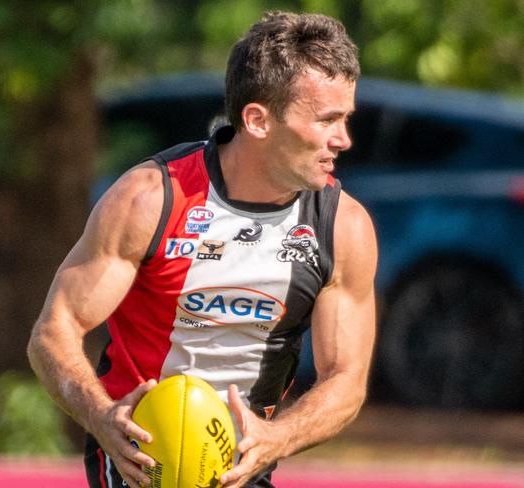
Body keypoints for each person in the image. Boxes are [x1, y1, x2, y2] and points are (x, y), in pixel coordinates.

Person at [28, 10, 377, 488]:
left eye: (346, 119)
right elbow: (54, 330)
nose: (344, 139)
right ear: (257, 120)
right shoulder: (152, 198)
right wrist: (102, 416)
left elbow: (346, 381)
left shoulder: (342, 227)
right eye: (327, 121)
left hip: (243, 470)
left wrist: (277, 438)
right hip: (139, 464)